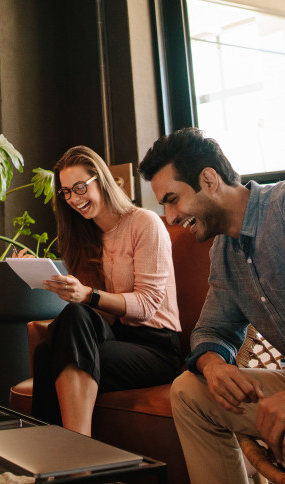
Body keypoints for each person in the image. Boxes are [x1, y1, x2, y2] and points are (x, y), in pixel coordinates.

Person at [139, 128, 285, 484]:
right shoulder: (224, 253)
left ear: (208, 179)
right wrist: (214, 364)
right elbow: (211, 329)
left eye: (172, 199)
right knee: (189, 391)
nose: (170, 217)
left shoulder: (281, 209)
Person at [31, 145, 182, 436]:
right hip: (116, 338)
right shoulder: (85, 236)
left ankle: (75, 455)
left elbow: (148, 304)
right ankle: (56, 459)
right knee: (60, 334)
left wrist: (88, 294)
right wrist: (56, 283)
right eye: (66, 193)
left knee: (54, 349)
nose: (74, 199)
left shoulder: (144, 223)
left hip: (158, 349)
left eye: (79, 187)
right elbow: (96, 315)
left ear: (100, 180)